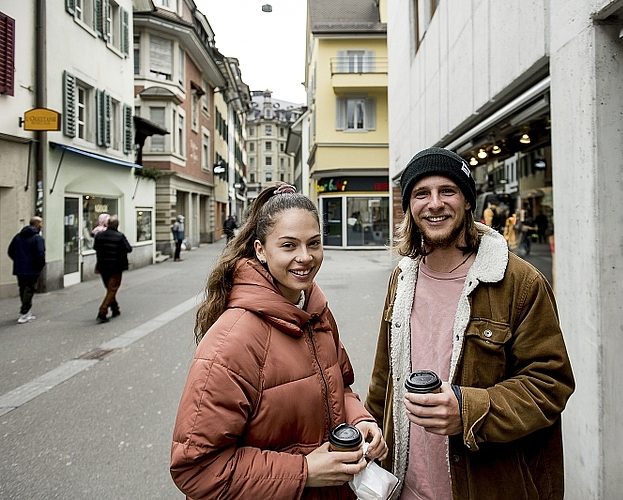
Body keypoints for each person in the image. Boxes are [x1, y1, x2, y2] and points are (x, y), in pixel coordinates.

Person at [364, 147, 575, 500]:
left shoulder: (519, 282)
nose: (434, 204)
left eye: (447, 191)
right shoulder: (402, 278)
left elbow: (550, 384)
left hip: (488, 485)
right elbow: (384, 380)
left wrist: (468, 411)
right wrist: (370, 427)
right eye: (421, 194)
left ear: (467, 202)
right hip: (406, 486)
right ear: (409, 208)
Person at [170, 183, 388, 500]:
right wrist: (305, 472)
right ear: (260, 249)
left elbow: (338, 386)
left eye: (314, 243)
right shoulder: (232, 341)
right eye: (288, 246)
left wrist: (359, 420)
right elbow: (195, 469)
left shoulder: (317, 312)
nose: (305, 257)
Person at [93, 216, 132, 323]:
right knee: (112, 289)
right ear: (117, 225)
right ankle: (102, 311)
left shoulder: (99, 236)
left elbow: (95, 247)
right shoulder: (119, 236)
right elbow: (129, 249)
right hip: (116, 267)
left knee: (110, 289)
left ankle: (115, 308)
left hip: (102, 266)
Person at [7, 216, 45, 324]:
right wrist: (39, 266)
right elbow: (40, 254)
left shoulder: (18, 237)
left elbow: (10, 251)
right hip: (32, 269)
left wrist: (18, 261)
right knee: (29, 289)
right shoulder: (38, 238)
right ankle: (24, 313)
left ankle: (27, 312)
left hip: (20, 268)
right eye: (41, 223)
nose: (42, 225)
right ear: (37, 224)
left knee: (23, 289)